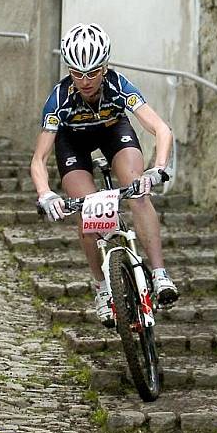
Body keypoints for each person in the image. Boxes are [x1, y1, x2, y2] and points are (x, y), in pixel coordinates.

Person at [30, 22, 179, 326]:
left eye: (93, 73)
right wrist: (45, 193)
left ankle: (160, 274)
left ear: (105, 67)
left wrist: (159, 167)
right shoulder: (58, 98)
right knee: (88, 213)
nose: (85, 81)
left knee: (138, 193)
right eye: (77, 73)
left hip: (115, 133)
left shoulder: (119, 85)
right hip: (73, 144)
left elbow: (161, 128)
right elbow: (39, 157)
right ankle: (101, 286)